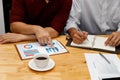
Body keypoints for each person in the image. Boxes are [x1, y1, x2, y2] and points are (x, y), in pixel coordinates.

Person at [0, 0, 72, 45]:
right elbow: (14, 25)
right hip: (20, 44)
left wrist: (23, 37)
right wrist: (37, 29)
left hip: (50, 41)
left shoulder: (66, 1)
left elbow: (55, 31)